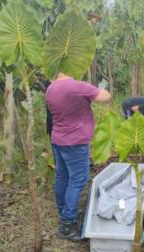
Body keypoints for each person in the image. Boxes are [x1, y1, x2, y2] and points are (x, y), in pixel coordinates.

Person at [46, 72, 111, 242]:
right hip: (75, 142)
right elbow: (105, 97)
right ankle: (67, 224)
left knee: (62, 176)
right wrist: (97, 88)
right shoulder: (78, 86)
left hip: (57, 138)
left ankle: (65, 210)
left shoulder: (51, 87)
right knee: (78, 179)